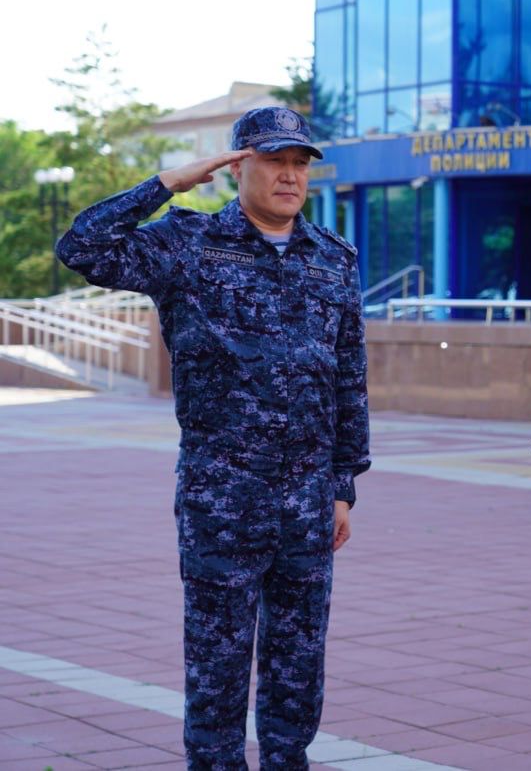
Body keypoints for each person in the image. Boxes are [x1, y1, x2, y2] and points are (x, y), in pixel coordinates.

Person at [56, 107, 370, 769]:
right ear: (239, 165)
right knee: (217, 665)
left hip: (308, 502)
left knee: (298, 663)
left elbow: (349, 376)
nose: (289, 175)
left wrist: (343, 486)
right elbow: (81, 247)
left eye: (299, 163)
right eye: (274, 160)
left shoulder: (334, 260)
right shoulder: (187, 244)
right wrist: (168, 182)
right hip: (221, 496)